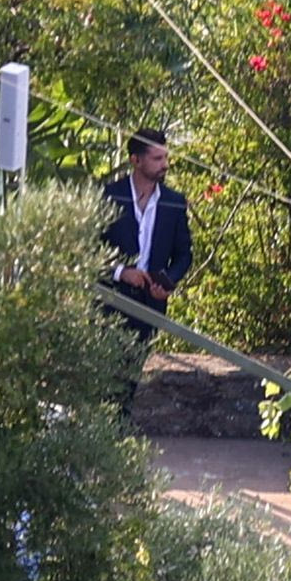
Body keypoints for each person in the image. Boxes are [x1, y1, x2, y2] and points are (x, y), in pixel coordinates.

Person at [101, 128, 192, 408]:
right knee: (104, 372)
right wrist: (120, 271)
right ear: (136, 160)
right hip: (110, 298)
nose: (164, 164)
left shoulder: (174, 201)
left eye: (165, 157)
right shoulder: (109, 195)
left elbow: (183, 255)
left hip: (150, 301)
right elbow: (90, 247)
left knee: (130, 375)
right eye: (157, 158)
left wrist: (167, 282)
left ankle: (118, 430)